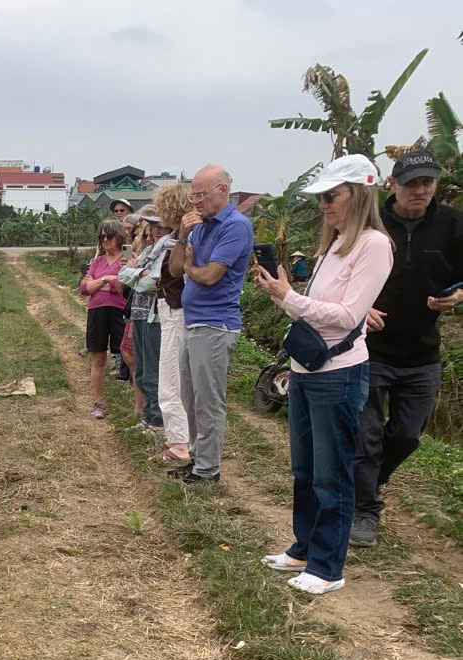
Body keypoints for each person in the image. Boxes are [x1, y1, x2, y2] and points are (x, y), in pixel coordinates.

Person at [255, 155, 393, 595]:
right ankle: (304, 547)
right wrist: (283, 294)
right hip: (308, 368)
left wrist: (289, 298)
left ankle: (329, 566)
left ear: (360, 193)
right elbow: (322, 309)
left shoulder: (374, 244)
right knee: (305, 469)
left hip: (338, 373)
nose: (324, 206)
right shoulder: (333, 244)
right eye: (321, 198)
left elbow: (346, 316)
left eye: (331, 196)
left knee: (331, 473)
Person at [351, 146, 463, 546]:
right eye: (412, 183)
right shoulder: (371, 225)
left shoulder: (452, 225)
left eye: (427, 183)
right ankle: (365, 511)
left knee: (407, 435)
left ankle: (367, 480)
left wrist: (458, 295)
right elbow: (340, 273)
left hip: (422, 352)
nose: (420, 190)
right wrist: (358, 311)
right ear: (393, 184)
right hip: (371, 349)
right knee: (366, 433)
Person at [167, 164, 254, 484]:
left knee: (208, 401)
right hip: (194, 324)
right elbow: (176, 271)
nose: (196, 202)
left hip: (215, 325)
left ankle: (208, 469)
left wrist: (191, 264)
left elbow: (210, 276)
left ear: (223, 191)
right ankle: (196, 458)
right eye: (193, 196)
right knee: (190, 398)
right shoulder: (198, 227)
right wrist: (181, 237)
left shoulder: (236, 227)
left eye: (201, 195)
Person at [119, 204, 170, 430]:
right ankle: (149, 417)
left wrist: (136, 274)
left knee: (152, 370)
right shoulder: (151, 250)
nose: (157, 231)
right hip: (140, 314)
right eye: (153, 226)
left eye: (161, 226)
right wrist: (139, 274)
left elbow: (152, 283)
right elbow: (123, 275)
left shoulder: (169, 249)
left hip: (156, 317)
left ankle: (156, 420)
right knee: (141, 369)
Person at [154, 183, 191, 463]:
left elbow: (181, 274)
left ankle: (179, 442)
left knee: (171, 380)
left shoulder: (185, 238)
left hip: (178, 312)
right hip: (171, 309)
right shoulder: (179, 236)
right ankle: (179, 437)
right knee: (173, 379)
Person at [78, 220, 128, 419]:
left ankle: (138, 402)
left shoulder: (125, 261)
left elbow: (122, 288)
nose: (105, 240)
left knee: (127, 355)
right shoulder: (97, 261)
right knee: (98, 357)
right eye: (102, 237)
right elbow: (84, 289)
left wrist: (98, 283)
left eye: (109, 236)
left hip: (118, 311)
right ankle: (98, 401)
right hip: (97, 311)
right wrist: (107, 280)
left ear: (118, 237)